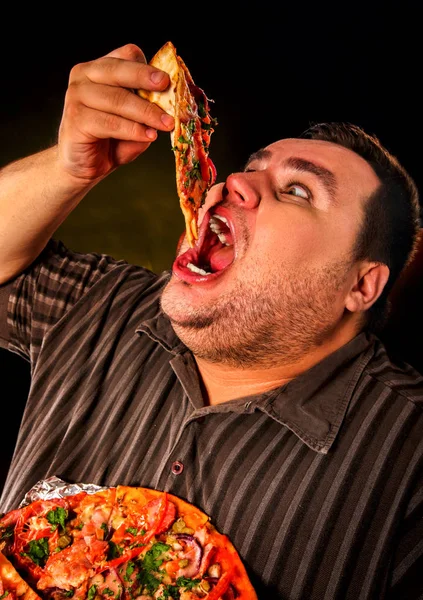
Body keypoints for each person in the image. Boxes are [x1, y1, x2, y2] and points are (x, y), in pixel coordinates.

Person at [0, 42, 422, 600]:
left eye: (297, 190)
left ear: (360, 285)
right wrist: (66, 166)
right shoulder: (104, 302)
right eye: (250, 168)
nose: (233, 183)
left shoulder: (407, 457)